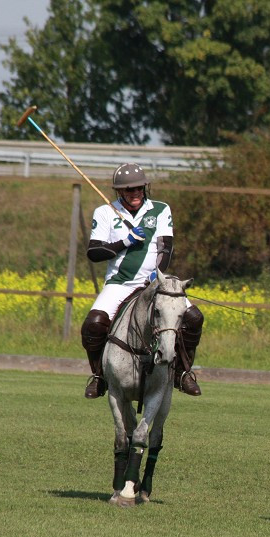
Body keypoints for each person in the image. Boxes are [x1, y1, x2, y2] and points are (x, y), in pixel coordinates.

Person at [80, 163, 203, 399]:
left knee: (194, 317)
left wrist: (158, 272)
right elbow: (94, 252)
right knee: (93, 324)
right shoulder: (105, 212)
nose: (135, 193)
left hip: (153, 282)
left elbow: (165, 247)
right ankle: (98, 376)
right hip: (119, 283)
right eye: (129, 190)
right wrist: (124, 242)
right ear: (119, 192)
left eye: (139, 188)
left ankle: (182, 373)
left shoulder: (160, 209)